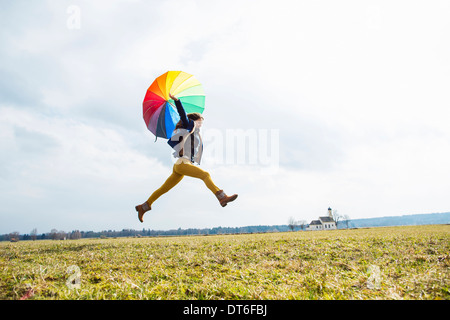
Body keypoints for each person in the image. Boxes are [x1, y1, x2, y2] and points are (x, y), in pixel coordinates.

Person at [135, 93, 238, 222]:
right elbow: (182, 114)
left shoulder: (193, 132)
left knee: (164, 188)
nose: (201, 124)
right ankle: (221, 196)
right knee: (205, 175)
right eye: (200, 122)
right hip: (182, 164)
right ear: (195, 120)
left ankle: (143, 207)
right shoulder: (188, 124)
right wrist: (177, 101)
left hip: (180, 165)